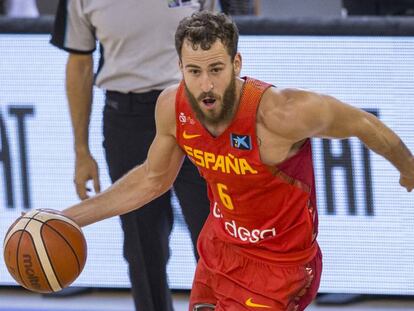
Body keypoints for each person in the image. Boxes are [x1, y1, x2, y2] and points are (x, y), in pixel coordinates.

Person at [60, 11, 414, 311]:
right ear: (179, 67)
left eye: (216, 69)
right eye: (194, 72)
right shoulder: (173, 107)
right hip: (219, 251)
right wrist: (67, 219)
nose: (206, 85)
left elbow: (365, 124)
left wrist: (408, 168)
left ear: (236, 63)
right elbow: (152, 179)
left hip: (280, 266)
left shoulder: (281, 113)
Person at [50, 1, 210, 311]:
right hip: (127, 117)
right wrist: (81, 151)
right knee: (142, 245)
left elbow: (220, 43)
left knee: (213, 239)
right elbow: (79, 64)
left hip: (194, 110)